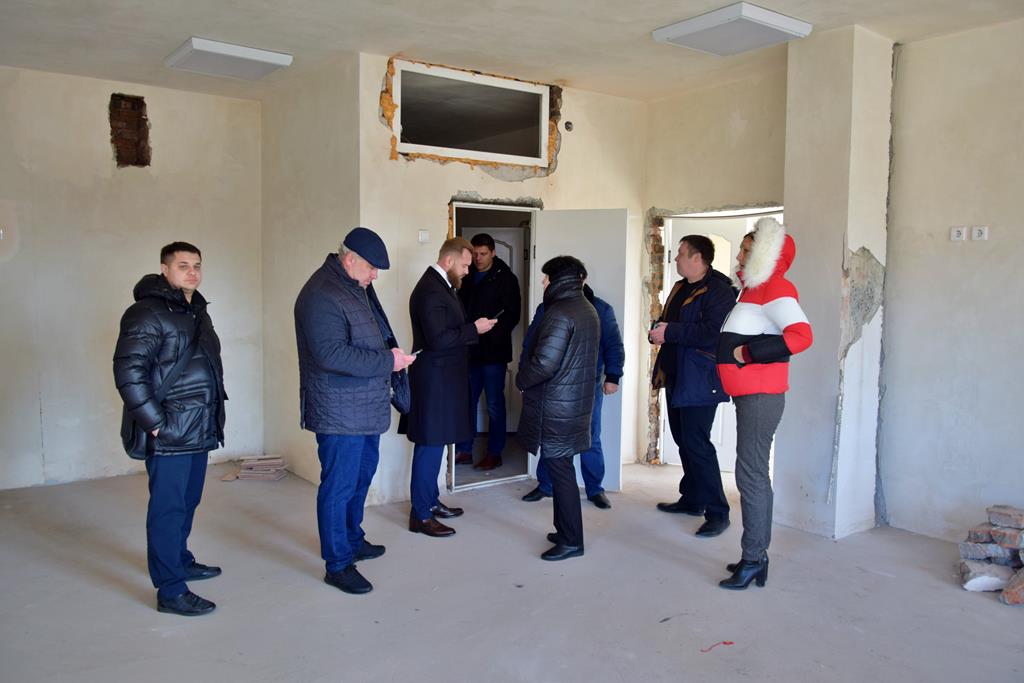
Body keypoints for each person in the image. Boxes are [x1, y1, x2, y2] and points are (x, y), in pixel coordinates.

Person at [294, 227, 415, 595]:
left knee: (360, 478)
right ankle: (338, 564)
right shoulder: (321, 294)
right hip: (338, 411)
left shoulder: (353, 287)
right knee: (339, 486)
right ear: (350, 260)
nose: (375, 275)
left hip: (363, 407)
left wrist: (390, 357)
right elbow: (331, 355)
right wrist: (388, 361)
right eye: (372, 268)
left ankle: (351, 537)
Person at [113, 241, 227, 616]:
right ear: (165, 269)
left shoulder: (197, 311)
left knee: (188, 501)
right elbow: (128, 372)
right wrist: (156, 425)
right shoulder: (146, 312)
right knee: (167, 509)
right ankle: (171, 590)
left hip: (199, 426)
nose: (192, 272)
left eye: (197, 265)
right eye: (183, 265)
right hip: (170, 431)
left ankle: (179, 559)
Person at [715, 217, 812, 590]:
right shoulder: (752, 290)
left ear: (765, 255)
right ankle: (755, 556)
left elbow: (801, 336)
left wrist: (747, 353)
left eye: (746, 250)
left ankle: (754, 559)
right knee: (752, 474)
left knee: (750, 476)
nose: (739, 256)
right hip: (750, 395)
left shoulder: (776, 287)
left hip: (760, 396)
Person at [404, 237, 496, 537]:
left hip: (442, 378)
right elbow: (438, 339)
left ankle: (430, 502)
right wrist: (474, 329)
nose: (469, 270)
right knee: (429, 446)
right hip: (434, 380)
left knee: (437, 442)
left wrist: (471, 328)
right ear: (449, 260)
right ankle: (420, 515)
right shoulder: (430, 290)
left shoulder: (442, 285)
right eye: (466, 265)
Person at [649, 235, 737, 537]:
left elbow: (713, 333)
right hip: (676, 375)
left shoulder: (719, 291)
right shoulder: (679, 287)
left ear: (697, 258)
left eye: (681, 254)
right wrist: (657, 331)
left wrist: (670, 332)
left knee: (697, 443)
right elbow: (667, 321)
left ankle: (718, 512)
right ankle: (693, 499)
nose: (676, 259)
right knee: (683, 440)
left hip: (700, 379)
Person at [516, 256, 600, 561]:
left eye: (546, 277)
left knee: (561, 473)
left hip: (557, 407)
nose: (543, 282)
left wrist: (521, 381)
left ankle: (571, 541)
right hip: (572, 404)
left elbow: (544, 363)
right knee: (563, 470)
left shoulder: (560, 312)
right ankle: (565, 530)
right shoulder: (586, 308)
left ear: (559, 280)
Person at [520, 277, 624, 509]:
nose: (546, 282)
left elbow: (613, 345)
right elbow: (530, 343)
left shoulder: (601, 309)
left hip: (588, 385)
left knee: (590, 436)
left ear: (581, 280)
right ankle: (546, 485)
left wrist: (613, 376)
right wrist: (525, 375)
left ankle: (595, 489)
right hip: (551, 385)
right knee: (551, 436)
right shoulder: (546, 308)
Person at [454, 233, 522, 471]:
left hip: (494, 353)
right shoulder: (466, 275)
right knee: (467, 402)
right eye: (474, 254)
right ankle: (464, 449)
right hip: (469, 350)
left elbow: (513, 315)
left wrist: (490, 335)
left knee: (494, 404)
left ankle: (495, 452)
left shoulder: (506, 278)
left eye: (483, 254)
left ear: (493, 252)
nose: (478, 258)